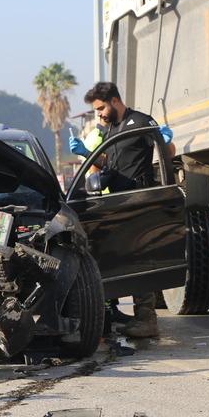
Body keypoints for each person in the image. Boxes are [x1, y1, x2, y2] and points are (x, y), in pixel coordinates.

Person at [68, 82, 175, 338]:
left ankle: (146, 319)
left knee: (140, 259)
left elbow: (167, 151)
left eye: (101, 108)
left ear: (115, 101)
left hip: (139, 199)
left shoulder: (139, 122)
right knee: (122, 259)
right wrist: (88, 154)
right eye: (96, 110)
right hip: (117, 201)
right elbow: (111, 163)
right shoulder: (110, 129)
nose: (100, 114)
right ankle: (123, 315)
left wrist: (166, 140)